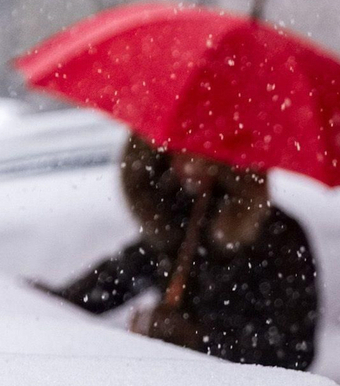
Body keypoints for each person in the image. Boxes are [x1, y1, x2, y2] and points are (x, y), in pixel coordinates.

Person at [50, 133, 319, 370]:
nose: (189, 163)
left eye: (203, 149)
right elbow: (110, 283)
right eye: (179, 149)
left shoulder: (278, 235)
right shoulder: (176, 219)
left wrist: (195, 336)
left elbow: (294, 350)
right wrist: (38, 302)